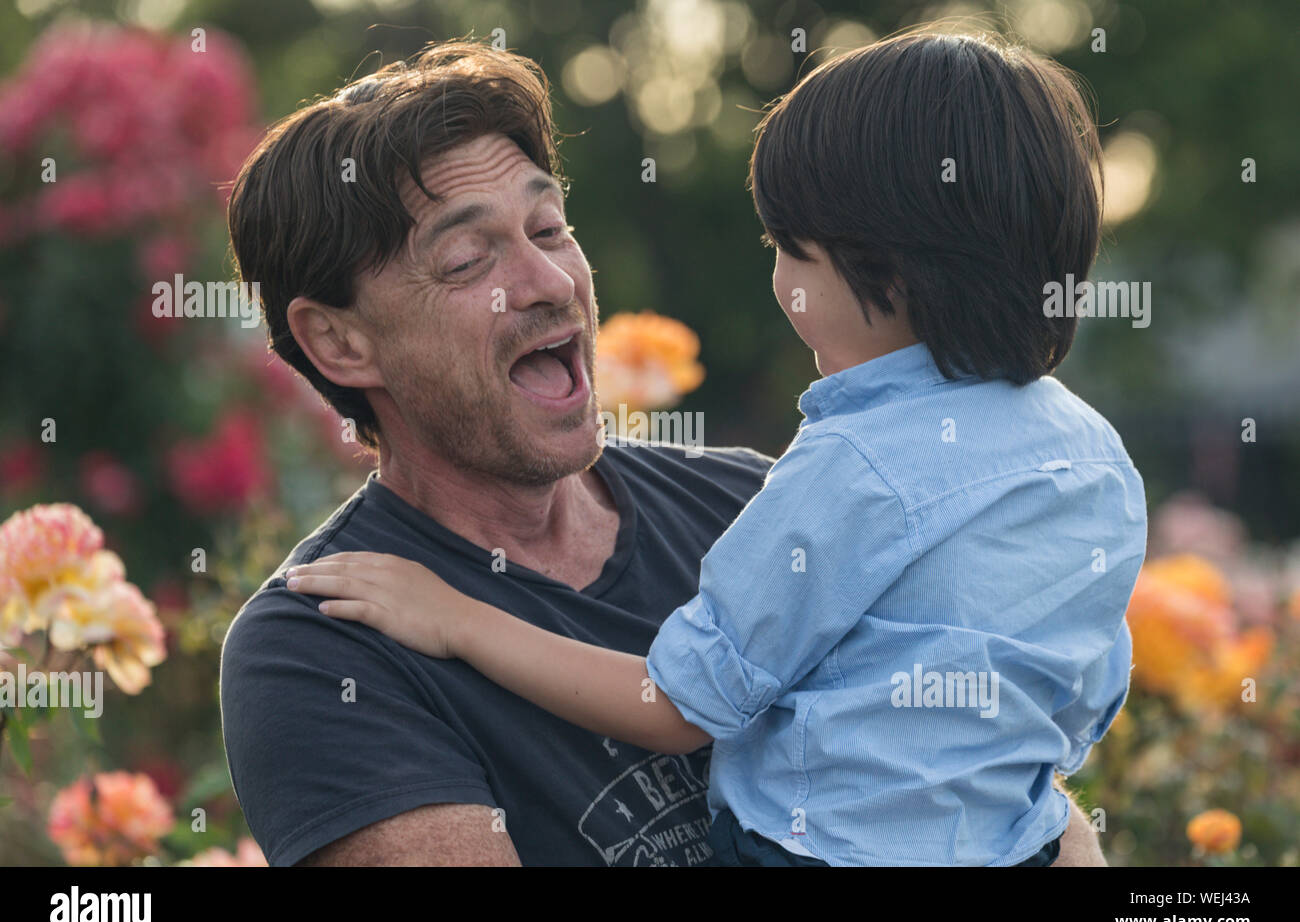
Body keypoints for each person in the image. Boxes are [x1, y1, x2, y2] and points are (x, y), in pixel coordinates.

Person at [221, 36, 1117, 866]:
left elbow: (1002, 786)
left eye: (549, 228)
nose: (546, 282)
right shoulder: (326, 646)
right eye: (466, 261)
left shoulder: (765, 504)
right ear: (339, 344)